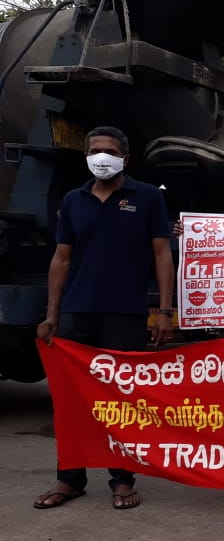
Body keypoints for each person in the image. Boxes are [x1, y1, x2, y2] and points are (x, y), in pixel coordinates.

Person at [34, 126, 174, 510]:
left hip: (126, 313)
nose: (101, 157)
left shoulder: (145, 197)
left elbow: (162, 254)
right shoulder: (74, 199)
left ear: (125, 158)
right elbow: (61, 259)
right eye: (94, 150)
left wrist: (164, 311)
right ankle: (70, 479)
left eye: (109, 150)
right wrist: (51, 315)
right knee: (71, 400)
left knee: (119, 400)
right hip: (76, 313)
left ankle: (122, 480)